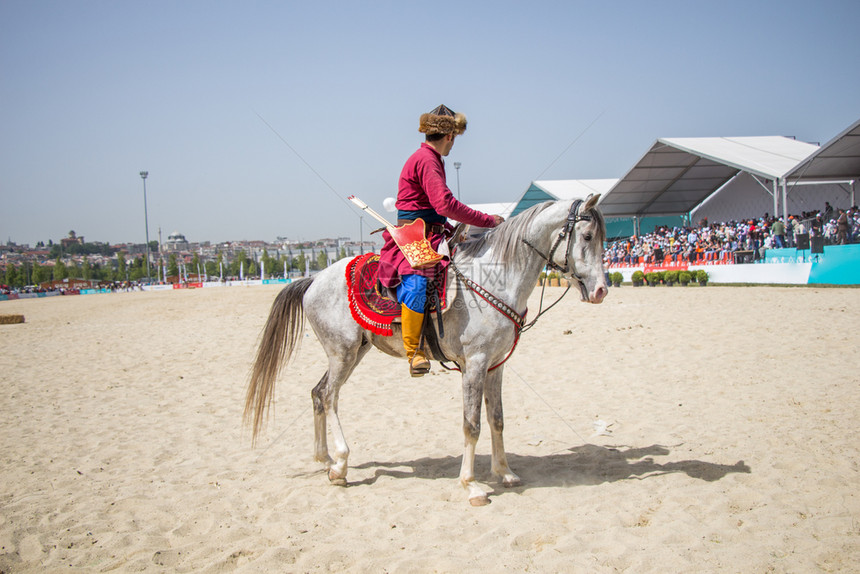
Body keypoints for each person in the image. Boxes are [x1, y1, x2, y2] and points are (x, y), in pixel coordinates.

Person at [378, 104, 504, 377]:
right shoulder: (426, 160)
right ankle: (414, 353)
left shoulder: (435, 160)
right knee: (418, 280)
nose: (454, 144)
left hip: (434, 231)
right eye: (454, 139)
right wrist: (486, 220)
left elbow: (435, 209)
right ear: (450, 136)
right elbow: (444, 203)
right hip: (415, 235)